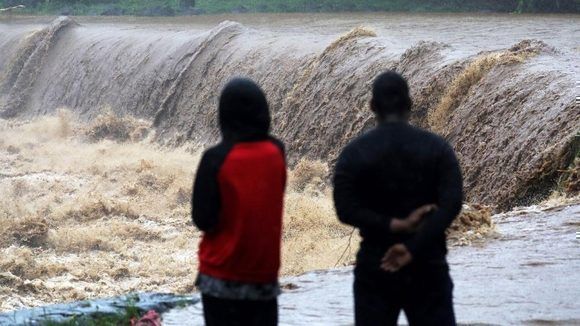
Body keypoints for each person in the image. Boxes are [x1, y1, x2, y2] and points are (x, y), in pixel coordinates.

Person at [333, 71, 463, 325]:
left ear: (372, 106)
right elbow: (452, 204)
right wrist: (412, 247)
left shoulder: (354, 153)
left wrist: (393, 225)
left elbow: (345, 209)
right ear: (410, 104)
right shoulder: (437, 148)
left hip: (377, 265)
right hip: (428, 263)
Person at [192, 78, 286, 326]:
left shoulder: (215, 159)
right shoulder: (277, 152)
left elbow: (203, 220)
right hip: (263, 279)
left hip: (220, 278)